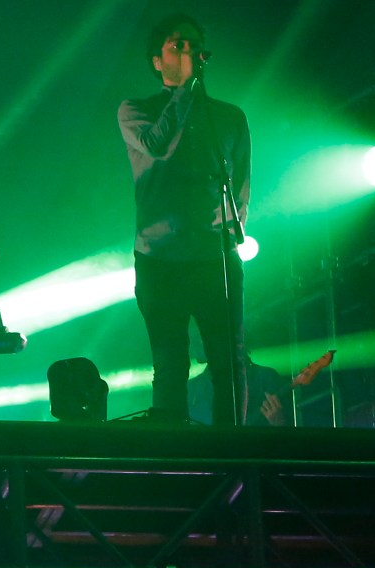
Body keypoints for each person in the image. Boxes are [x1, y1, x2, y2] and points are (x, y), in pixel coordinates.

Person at [118, 14, 251, 425]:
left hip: (214, 257)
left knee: (229, 362)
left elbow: (240, 184)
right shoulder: (134, 109)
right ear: (156, 60)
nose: (190, 51)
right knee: (171, 362)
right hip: (160, 258)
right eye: (179, 45)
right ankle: (172, 462)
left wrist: (230, 233)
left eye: (196, 45)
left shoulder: (229, 117)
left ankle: (234, 461)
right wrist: (188, 90)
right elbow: (158, 145)